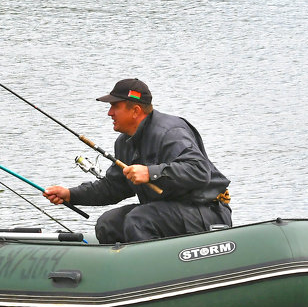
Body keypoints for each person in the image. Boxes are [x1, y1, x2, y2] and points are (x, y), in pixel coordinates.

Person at [44, 78, 231, 244]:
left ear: (135, 110)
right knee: (107, 224)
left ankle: (157, 276)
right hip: (167, 211)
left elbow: (199, 171)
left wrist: (150, 173)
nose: (109, 113)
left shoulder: (170, 133)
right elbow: (113, 188)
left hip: (205, 211)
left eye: (115, 106)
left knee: (139, 219)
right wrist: (70, 194)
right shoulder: (125, 142)